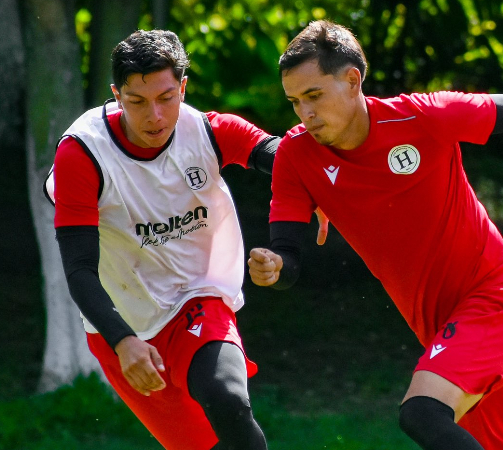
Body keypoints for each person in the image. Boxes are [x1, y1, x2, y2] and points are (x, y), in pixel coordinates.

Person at [247, 20, 503, 450]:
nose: (305, 113)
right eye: (295, 102)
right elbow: (288, 255)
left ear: (353, 81)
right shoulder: (295, 156)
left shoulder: (422, 116)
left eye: (314, 95)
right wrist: (275, 267)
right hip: (439, 327)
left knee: (422, 413)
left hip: (497, 298)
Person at [44, 29, 326, 450]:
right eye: (137, 102)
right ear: (116, 96)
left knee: (228, 399)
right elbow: (79, 268)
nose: (154, 116)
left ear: (183, 87)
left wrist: (318, 191)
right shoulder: (82, 155)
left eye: (166, 97)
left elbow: (284, 157)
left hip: (197, 298)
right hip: (122, 326)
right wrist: (123, 340)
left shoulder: (208, 131)